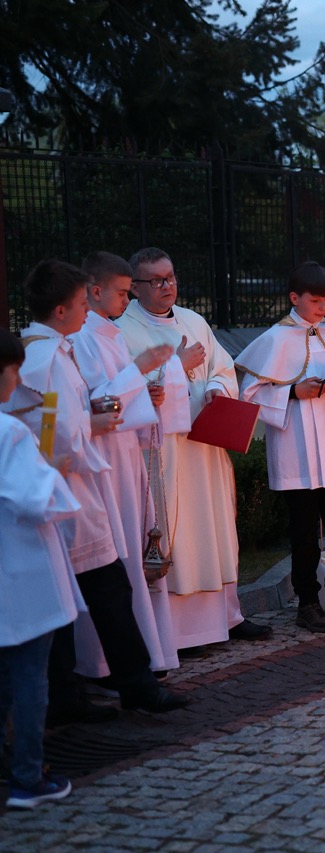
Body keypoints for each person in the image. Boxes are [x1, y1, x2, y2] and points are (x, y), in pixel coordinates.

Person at [2, 261, 189, 716]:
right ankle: (124, 688)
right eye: (82, 304)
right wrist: (93, 424)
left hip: (67, 485)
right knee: (105, 589)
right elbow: (54, 432)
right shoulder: (46, 359)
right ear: (61, 310)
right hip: (66, 488)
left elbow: (59, 420)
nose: (88, 310)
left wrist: (92, 417)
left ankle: (79, 694)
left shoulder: (49, 350)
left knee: (85, 592)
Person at [116, 248, 272, 652]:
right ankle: (182, 632)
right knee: (179, 535)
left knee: (216, 527)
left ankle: (227, 617)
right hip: (165, 450)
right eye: (156, 280)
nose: (167, 286)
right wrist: (177, 366)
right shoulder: (122, 332)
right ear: (134, 287)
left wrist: (218, 388)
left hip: (205, 445)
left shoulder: (194, 320)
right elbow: (126, 391)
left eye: (170, 277)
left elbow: (222, 367)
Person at [236, 262, 325, 635]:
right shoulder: (275, 339)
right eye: (316, 301)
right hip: (295, 448)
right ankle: (308, 603)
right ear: (295, 298)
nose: (323, 307)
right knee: (304, 533)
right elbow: (249, 395)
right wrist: (295, 391)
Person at [70, 252, 179, 677]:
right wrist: (140, 370)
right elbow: (97, 402)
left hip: (125, 454)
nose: (127, 299)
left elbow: (117, 394)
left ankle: (146, 653)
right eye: (121, 292)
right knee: (117, 557)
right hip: (104, 460)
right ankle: (105, 664)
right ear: (95, 292)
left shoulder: (109, 333)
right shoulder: (83, 338)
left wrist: (143, 392)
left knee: (134, 552)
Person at [0, 327, 83, 809]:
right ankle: (28, 777)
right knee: (31, 676)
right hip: (23, 572)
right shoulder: (11, 432)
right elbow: (36, 502)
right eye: (14, 371)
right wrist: (53, 472)